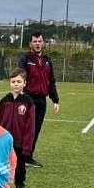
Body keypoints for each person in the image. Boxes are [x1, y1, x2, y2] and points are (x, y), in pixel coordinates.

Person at [17, 31, 59, 168]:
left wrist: (55, 100)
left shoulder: (47, 60)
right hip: (28, 98)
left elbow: (51, 81)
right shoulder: (25, 58)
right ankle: (18, 156)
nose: (37, 44)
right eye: (34, 41)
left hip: (42, 100)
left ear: (43, 43)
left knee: (36, 129)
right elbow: (20, 77)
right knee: (25, 129)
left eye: (39, 41)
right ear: (30, 44)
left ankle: (28, 157)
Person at [0, 67, 35, 188]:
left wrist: (27, 145)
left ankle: (19, 186)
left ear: (25, 83)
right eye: (13, 81)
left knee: (20, 165)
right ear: (10, 83)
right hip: (4, 141)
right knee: (1, 163)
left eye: (19, 81)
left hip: (19, 141)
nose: (16, 84)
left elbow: (30, 126)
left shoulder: (28, 102)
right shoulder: (4, 101)